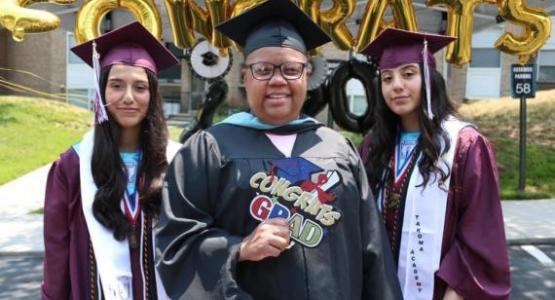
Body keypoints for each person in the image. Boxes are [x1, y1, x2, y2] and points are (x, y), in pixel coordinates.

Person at [155, 0, 402, 299]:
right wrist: (239, 249)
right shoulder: (208, 149)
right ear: (245, 77)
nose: (277, 80)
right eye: (262, 70)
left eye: (290, 69)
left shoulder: (339, 149)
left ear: (306, 76)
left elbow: (372, 252)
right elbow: (176, 245)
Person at [358, 28, 511, 300]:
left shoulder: (463, 145)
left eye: (408, 74)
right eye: (387, 78)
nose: (397, 85)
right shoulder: (373, 146)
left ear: (429, 79)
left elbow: (480, 234)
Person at [41, 21, 180, 300]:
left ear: (152, 96)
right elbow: (57, 250)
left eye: (140, 87)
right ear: (101, 91)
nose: (128, 97)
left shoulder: (177, 162)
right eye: (116, 85)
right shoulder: (72, 166)